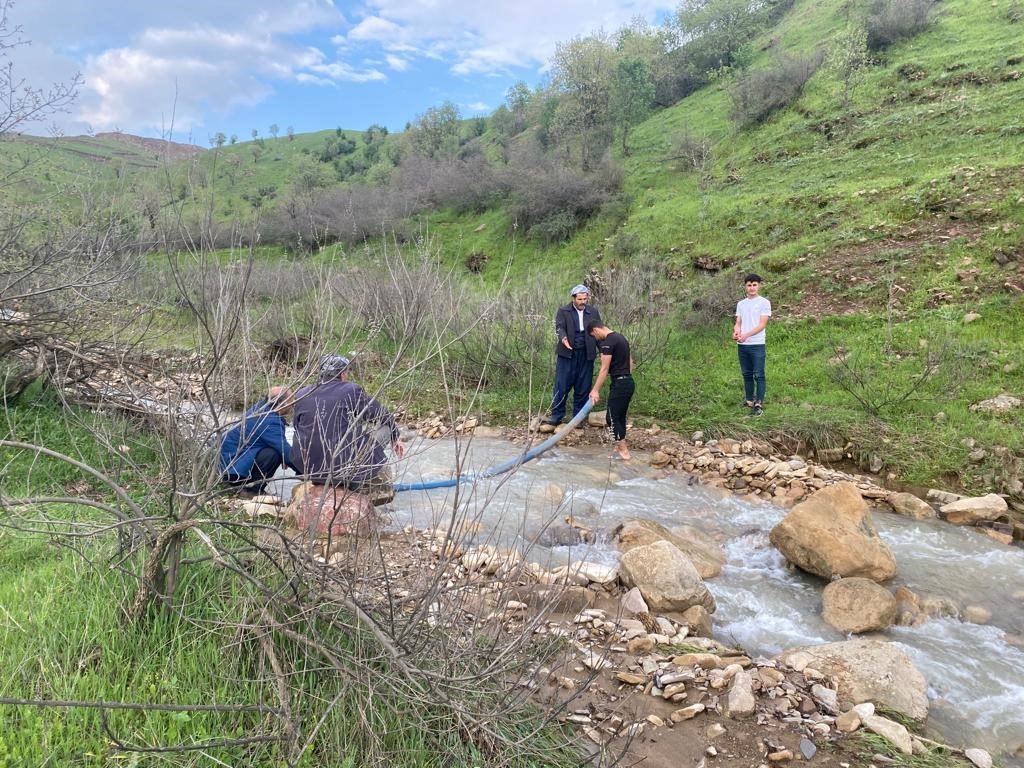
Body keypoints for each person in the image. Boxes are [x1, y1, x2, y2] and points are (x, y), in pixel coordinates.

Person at [291, 355, 406, 500]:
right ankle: (355, 478)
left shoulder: (301, 393)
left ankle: (326, 478)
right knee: (386, 428)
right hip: (341, 466)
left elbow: (297, 427)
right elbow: (381, 414)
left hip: (308, 467)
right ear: (342, 373)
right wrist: (395, 437)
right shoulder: (350, 390)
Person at [219, 386, 297, 493]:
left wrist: (286, 455)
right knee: (273, 454)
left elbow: (280, 444)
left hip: (226, 462)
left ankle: (246, 487)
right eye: (291, 400)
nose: (293, 404)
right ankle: (251, 490)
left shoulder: (261, 407)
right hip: (232, 470)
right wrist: (307, 473)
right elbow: (285, 451)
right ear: (281, 403)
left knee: (275, 450)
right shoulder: (270, 421)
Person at [544, 284, 603, 426]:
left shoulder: (593, 312)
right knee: (561, 385)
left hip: (587, 354)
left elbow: (599, 331)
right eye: (580, 299)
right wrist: (563, 338)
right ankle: (556, 416)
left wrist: (602, 350)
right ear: (573, 298)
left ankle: (578, 418)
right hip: (567, 354)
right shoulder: (563, 311)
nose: (583, 302)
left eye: (585, 298)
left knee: (583, 386)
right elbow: (559, 327)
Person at [587, 322, 635, 461]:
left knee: (611, 418)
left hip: (620, 383)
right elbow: (631, 361)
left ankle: (624, 452)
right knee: (619, 417)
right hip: (628, 382)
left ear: (596, 330)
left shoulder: (607, 342)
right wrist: (625, 374)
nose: (596, 339)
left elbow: (604, 369)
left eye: (594, 335)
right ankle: (619, 447)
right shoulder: (621, 338)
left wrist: (595, 390)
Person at [732, 273, 772, 417]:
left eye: (754, 285)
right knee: (746, 374)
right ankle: (749, 400)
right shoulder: (741, 304)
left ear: (759, 285)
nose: (752, 288)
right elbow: (738, 322)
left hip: (757, 344)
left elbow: (762, 325)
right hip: (742, 344)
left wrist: (746, 336)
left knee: (759, 374)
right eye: (749, 285)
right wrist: (736, 332)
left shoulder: (764, 303)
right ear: (745, 286)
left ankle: (759, 403)